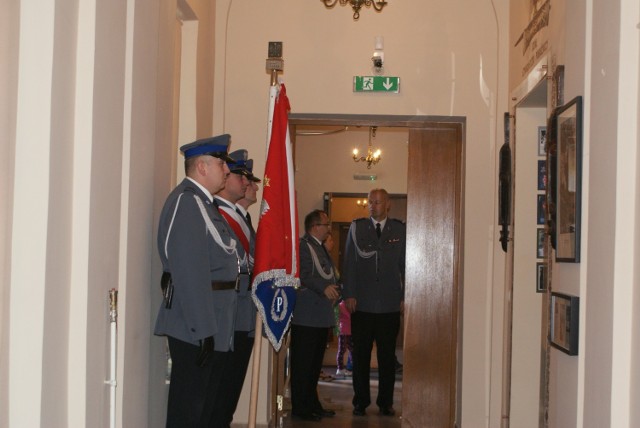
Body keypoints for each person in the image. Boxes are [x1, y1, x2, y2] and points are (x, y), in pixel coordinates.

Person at [154, 135, 241, 427]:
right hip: (196, 326)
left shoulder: (204, 204)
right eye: (221, 163)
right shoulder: (187, 202)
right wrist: (203, 329)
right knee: (189, 411)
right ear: (202, 167)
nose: (227, 171)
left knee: (205, 410)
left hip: (212, 322)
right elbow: (189, 272)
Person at [342, 188, 406, 417]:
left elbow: (406, 266)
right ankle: (360, 401)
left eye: (377, 202)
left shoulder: (399, 229)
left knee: (387, 357)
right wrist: (349, 293)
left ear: (387, 204)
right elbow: (349, 262)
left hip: (389, 304)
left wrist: (405, 296)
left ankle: (385, 402)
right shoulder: (357, 228)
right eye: (370, 202)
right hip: (362, 304)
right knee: (360, 356)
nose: (373, 206)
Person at [211, 149, 257, 428]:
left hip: (243, 312)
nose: (246, 183)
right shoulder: (217, 215)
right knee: (220, 390)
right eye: (240, 175)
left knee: (230, 391)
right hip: (228, 314)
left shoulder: (241, 218)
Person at [290, 210, 341, 421]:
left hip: (320, 316)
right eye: (326, 224)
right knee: (303, 365)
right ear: (314, 226)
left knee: (314, 366)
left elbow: (329, 273)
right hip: (307, 316)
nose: (328, 228)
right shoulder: (303, 246)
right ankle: (301, 408)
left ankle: (313, 403)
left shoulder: (319, 248)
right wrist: (324, 288)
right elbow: (303, 274)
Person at [335, 299, 353, 379]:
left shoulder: (350, 305)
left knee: (352, 350)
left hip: (350, 331)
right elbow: (340, 317)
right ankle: (340, 368)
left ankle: (351, 368)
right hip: (343, 331)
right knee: (342, 350)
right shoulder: (341, 305)